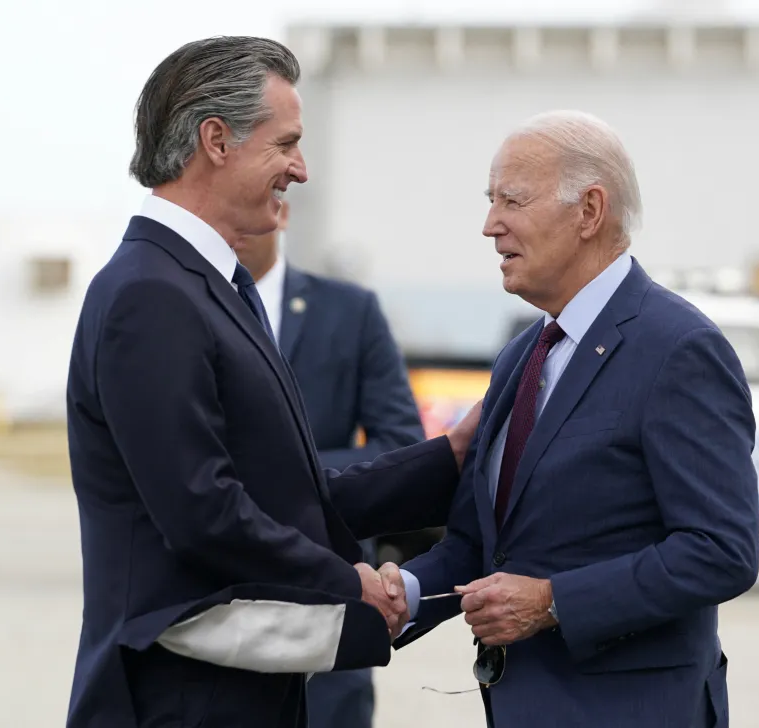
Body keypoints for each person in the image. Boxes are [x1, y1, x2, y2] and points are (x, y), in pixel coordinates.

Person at [64, 36, 478, 728]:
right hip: (178, 703)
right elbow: (203, 510)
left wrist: (448, 459)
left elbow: (284, 493)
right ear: (216, 141)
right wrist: (347, 583)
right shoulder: (152, 295)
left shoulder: (205, 286)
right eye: (285, 144)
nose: (301, 170)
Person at [392, 111, 759, 728]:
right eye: (490, 201)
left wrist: (553, 602)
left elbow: (721, 550)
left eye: (512, 200)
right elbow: (483, 545)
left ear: (590, 211)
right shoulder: (523, 355)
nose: (490, 225)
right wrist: (397, 596)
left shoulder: (678, 348)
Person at [234, 200, 425, 728]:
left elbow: (401, 445)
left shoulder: (350, 311)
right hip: (218, 596)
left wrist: (273, 477)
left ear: (282, 210)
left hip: (332, 594)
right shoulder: (181, 310)